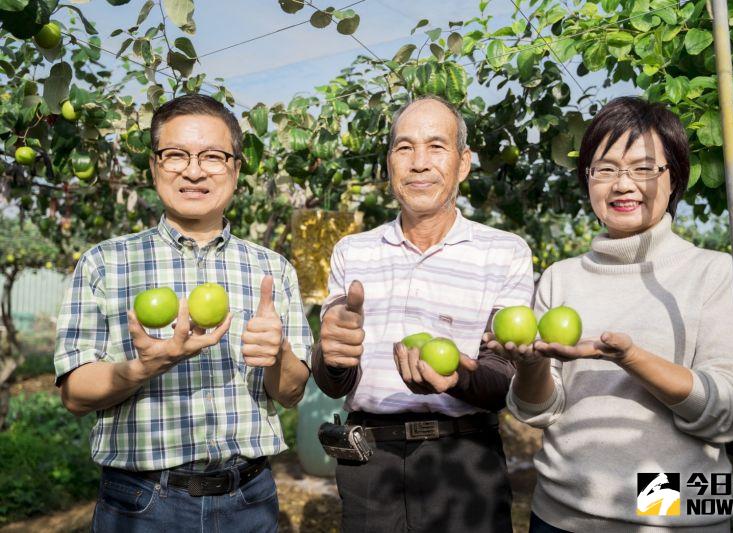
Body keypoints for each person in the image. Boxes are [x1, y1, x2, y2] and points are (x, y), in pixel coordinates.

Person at [54, 94, 312, 532]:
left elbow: (290, 393)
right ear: (154, 166)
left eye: (212, 156)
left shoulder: (273, 269)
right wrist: (144, 368)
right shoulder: (105, 263)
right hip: (141, 503)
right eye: (175, 155)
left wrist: (279, 354)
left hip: (249, 500)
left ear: (235, 168)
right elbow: (75, 394)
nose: (193, 171)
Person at [492, 96, 733, 532]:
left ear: (674, 177)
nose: (623, 184)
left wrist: (632, 359)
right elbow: (540, 411)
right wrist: (530, 366)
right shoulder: (560, 278)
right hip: (558, 516)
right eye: (605, 169)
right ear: (587, 179)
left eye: (644, 168)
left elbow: (731, 413)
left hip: (668, 521)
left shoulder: (711, 272)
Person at [313, 95, 535, 533]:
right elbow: (333, 380)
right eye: (404, 147)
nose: (418, 163)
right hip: (368, 465)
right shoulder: (352, 251)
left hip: (465, 461)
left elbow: (503, 377)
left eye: (436, 146)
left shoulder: (503, 252)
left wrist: (459, 378)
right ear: (389, 163)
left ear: (463, 162)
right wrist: (331, 356)